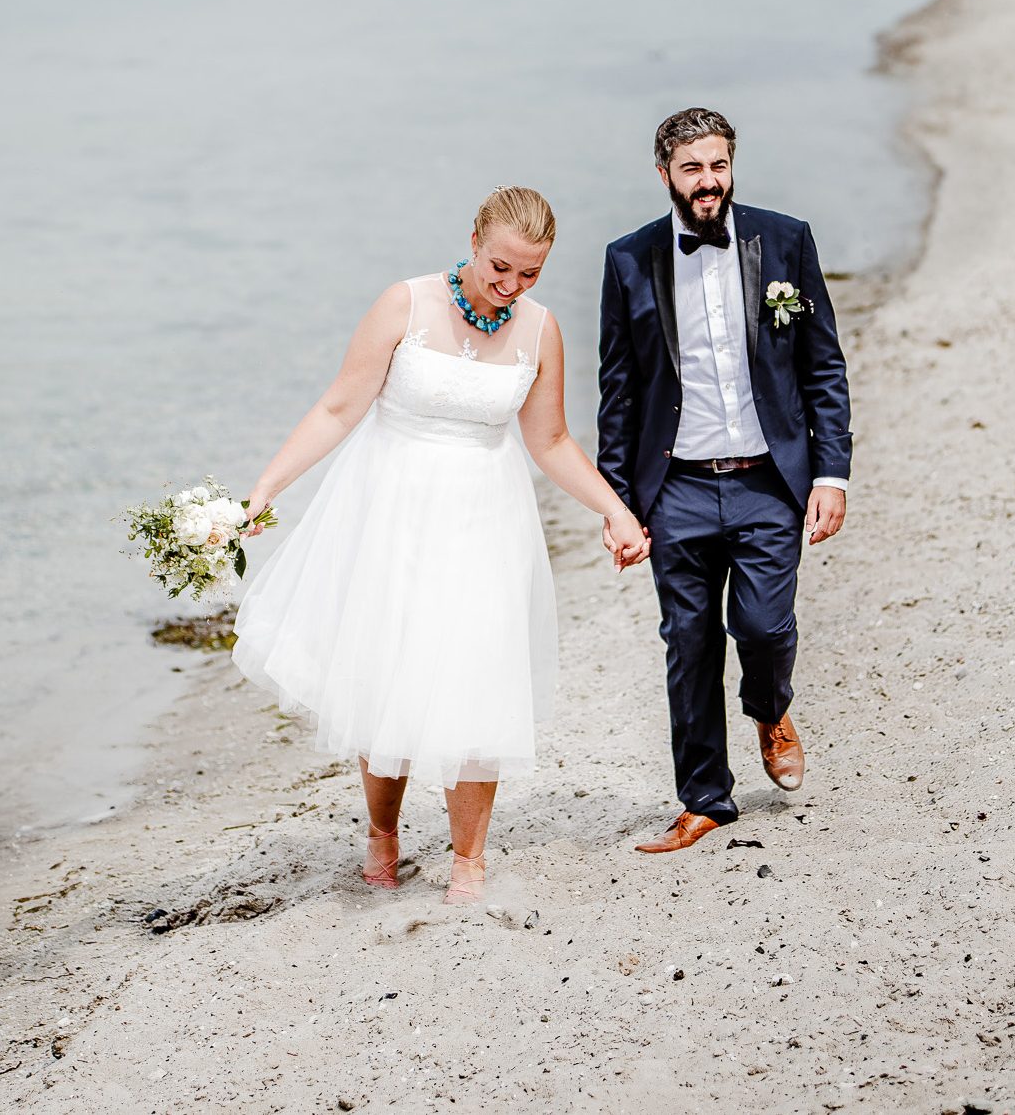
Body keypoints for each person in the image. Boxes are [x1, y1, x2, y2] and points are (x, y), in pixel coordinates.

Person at [234, 187, 650, 902]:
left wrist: (615, 511)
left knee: (478, 675)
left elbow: (550, 440)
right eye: (500, 268)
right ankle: (382, 833)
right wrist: (268, 486)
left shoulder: (540, 330)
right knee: (385, 668)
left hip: (486, 518)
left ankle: (468, 860)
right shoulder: (404, 303)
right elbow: (339, 407)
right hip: (389, 511)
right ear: (473, 240)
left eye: (530, 273)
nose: (511, 286)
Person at [596, 108, 851, 853]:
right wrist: (618, 504)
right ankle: (705, 799)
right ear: (664, 174)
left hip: (768, 479)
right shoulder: (628, 259)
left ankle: (770, 709)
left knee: (765, 627)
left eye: (718, 166)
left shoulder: (786, 239)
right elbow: (619, 392)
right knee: (689, 643)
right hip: (674, 486)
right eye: (692, 169)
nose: (708, 182)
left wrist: (831, 473)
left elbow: (823, 365)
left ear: (731, 165)